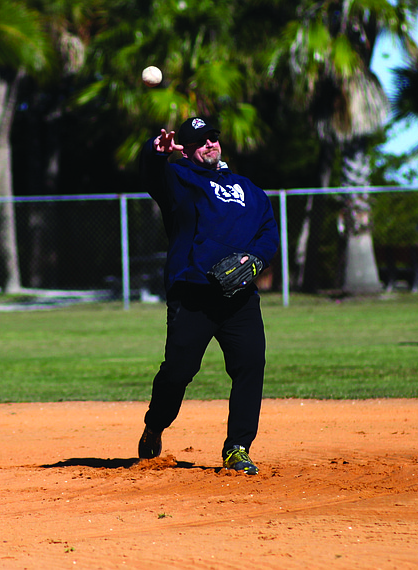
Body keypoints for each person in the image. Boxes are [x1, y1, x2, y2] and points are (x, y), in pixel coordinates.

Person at [137, 116, 280, 474]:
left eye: (213, 138)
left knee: (251, 364)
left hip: (239, 297)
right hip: (193, 294)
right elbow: (152, 175)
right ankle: (155, 424)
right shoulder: (178, 180)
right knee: (178, 372)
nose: (209, 144)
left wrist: (257, 258)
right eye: (200, 141)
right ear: (186, 149)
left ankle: (237, 447)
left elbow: (268, 231)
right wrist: (156, 154)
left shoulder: (249, 189)